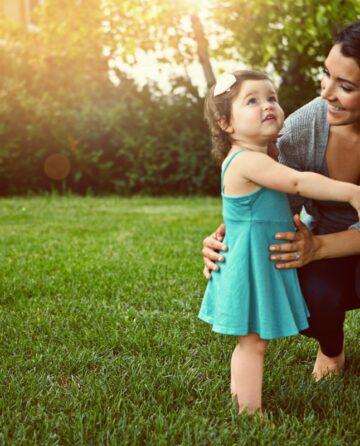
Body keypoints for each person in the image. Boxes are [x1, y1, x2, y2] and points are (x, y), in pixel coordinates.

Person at [201, 21, 360, 383]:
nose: (327, 94)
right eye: (326, 75)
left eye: (346, 86)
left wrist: (318, 246)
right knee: (308, 294)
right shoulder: (300, 129)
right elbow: (276, 194)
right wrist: (225, 240)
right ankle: (331, 350)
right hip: (328, 241)